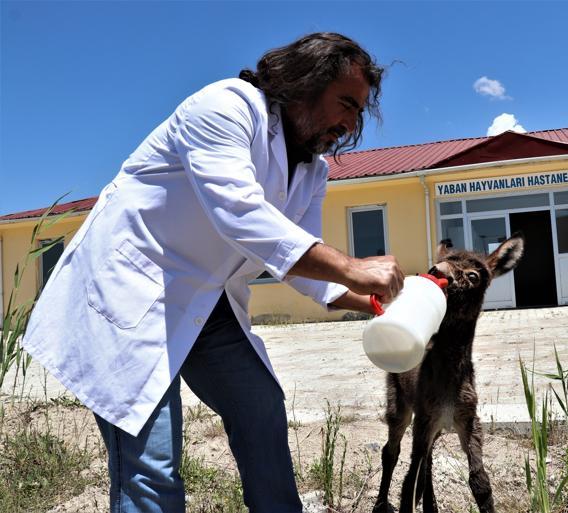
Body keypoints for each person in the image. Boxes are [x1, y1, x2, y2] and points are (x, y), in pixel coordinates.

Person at [22, 33, 404, 512]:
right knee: (152, 465)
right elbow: (240, 215)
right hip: (133, 288)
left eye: (359, 112)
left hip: (207, 298)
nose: (350, 123)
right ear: (305, 83)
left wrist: (378, 302)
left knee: (260, 408)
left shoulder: (312, 170)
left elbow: (301, 265)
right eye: (345, 103)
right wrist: (353, 266)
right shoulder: (225, 106)